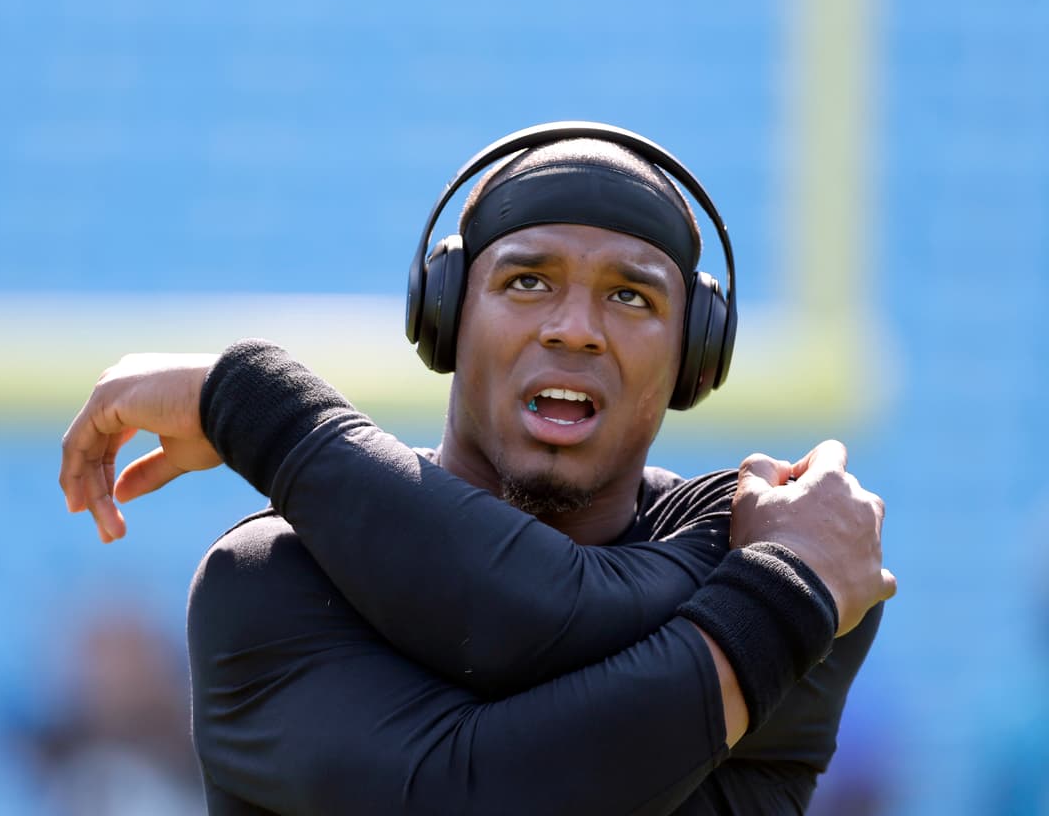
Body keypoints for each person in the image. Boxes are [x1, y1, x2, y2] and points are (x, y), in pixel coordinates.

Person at [59, 124, 895, 814]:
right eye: (527, 281)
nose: (576, 328)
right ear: (448, 317)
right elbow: (480, 793)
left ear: (693, 359)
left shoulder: (770, 546)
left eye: (632, 297)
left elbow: (542, 613)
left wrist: (260, 411)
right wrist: (780, 604)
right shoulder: (271, 578)